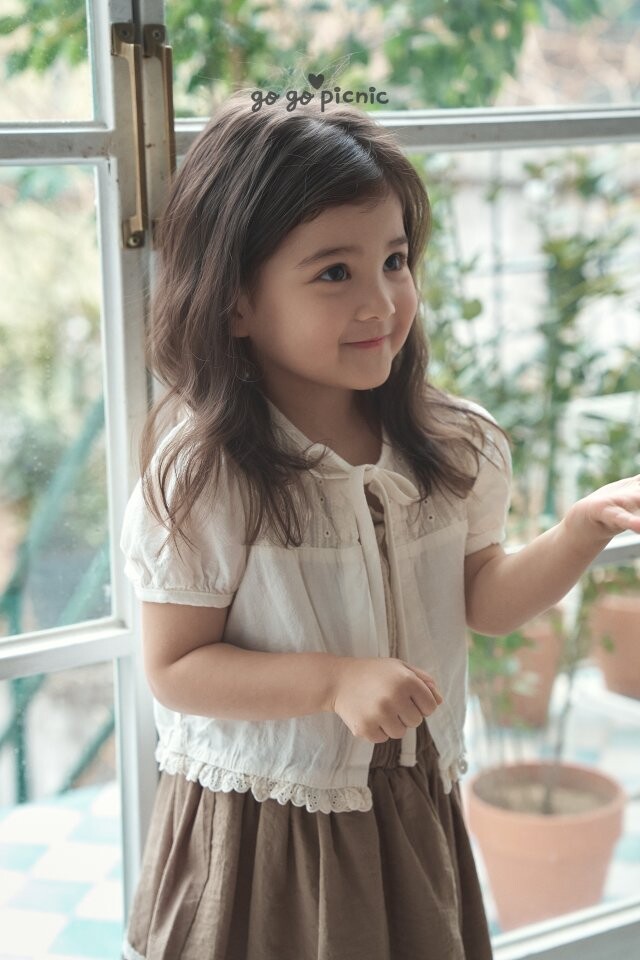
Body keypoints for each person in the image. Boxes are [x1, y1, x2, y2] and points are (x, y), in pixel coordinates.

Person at [119, 88, 640, 960]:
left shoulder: (450, 445)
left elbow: (486, 600)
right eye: (336, 272)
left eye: (395, 261)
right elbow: (175, 668)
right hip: (268, 822)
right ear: (235, 302)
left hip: (405, 804)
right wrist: (333, 682)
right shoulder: (210, 477)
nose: (382, 302)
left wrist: (581, 530)